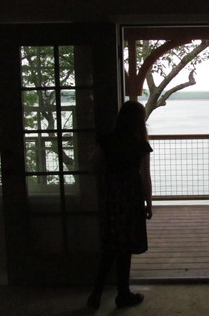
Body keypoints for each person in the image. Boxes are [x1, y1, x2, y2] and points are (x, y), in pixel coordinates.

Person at [87, 100, 153, 309]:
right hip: (131, 196)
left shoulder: (107, 140)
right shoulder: (139, 143)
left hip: (112, 196)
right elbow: (145, 176)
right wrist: (148, 201)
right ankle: (123, 294)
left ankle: (95, 295)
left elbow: (93, 166)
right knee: (125, 246)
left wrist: (109, 177)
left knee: (111, 246)